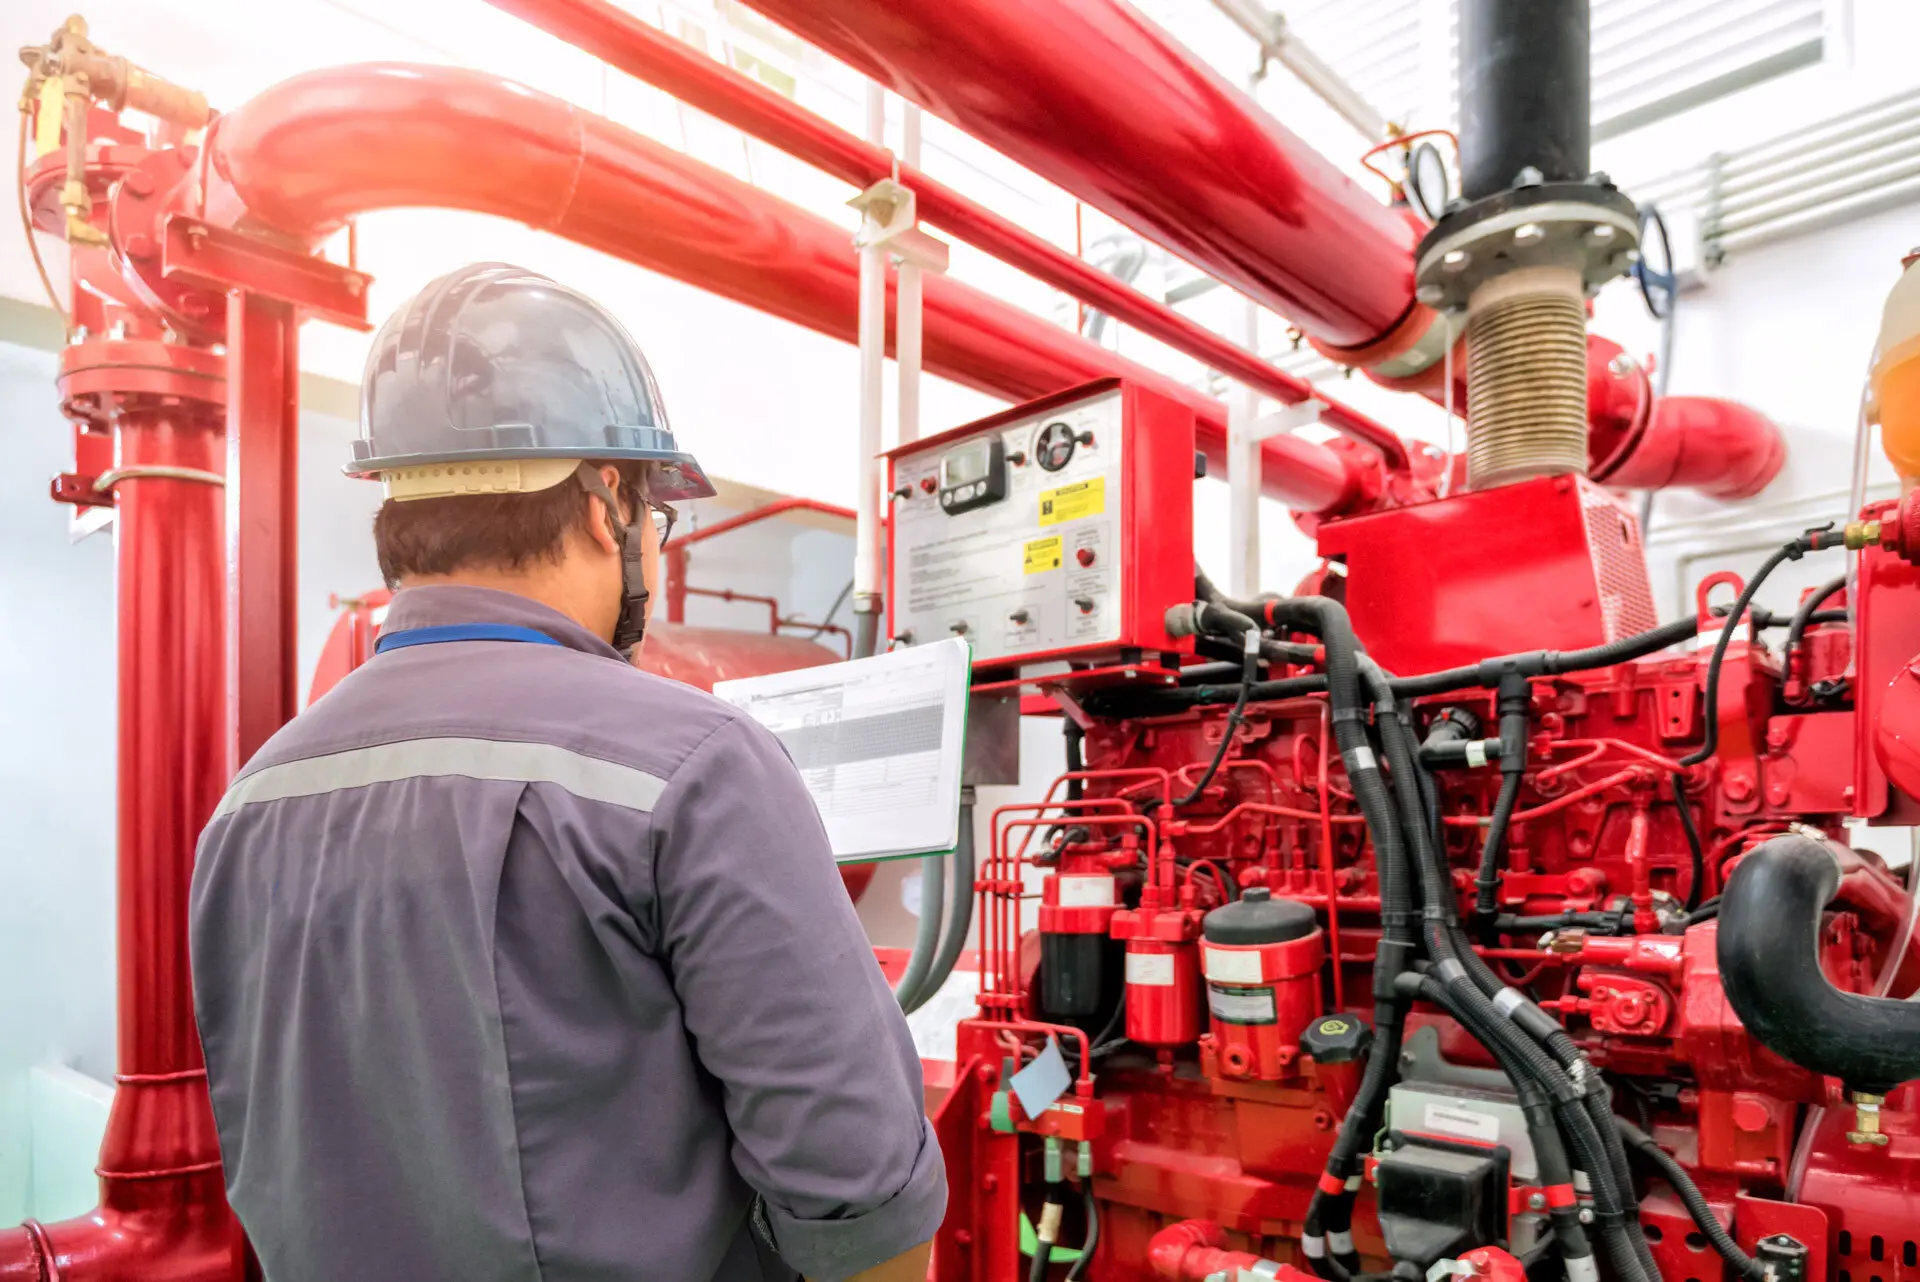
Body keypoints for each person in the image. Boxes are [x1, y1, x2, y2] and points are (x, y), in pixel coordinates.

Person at [189, 263, 945, 1282]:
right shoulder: (697, 767)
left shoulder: (250, 804)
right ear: (605, 505)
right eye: (652, 516)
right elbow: (870, 1221)